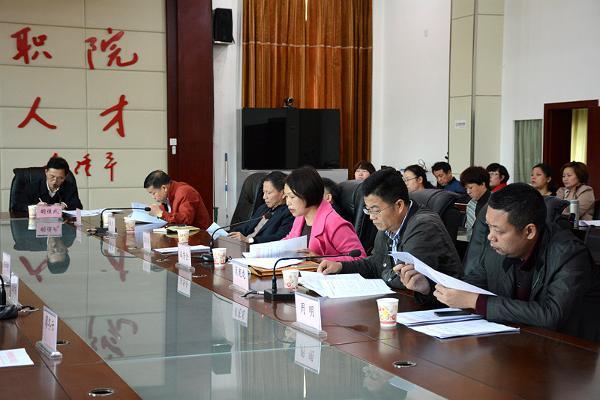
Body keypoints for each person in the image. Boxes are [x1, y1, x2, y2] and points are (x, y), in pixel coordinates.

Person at [399, 183, 596, 337]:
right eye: (489, 226)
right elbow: (470, 288)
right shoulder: (498, 247)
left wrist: (476, 301)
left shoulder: (570, 255)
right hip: (515, 342)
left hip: (567, 354)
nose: (489, 237)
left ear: (529, 231)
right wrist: (429, 288)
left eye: (498, 230)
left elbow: (551, 315)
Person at [317, 168, 461, 288]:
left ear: (399, 205)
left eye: (375, 210)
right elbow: (376, 263)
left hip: (437, 305)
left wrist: (383, 273)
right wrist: (340, 266)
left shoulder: (424, 226)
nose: (371, 217)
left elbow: (405, 279)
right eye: (368, 210)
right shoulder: (388, 224)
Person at [284, 166, 365, 261]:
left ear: (308, 194)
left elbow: (360, 258)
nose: (288, 202)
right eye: (286, 197)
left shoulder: (334, 223)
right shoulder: (300, 217)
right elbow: (290, 240)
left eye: (292, 197)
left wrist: (320, 259)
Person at [228, 171, 293, 244]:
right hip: (244, 245)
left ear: (283, 193)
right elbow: (246, 227)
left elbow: (279, 237)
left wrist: (249, 240)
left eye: (269, 193)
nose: (264, 197)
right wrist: (229, 234)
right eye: (264, 192)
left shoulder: (289, 212)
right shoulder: (263, 208)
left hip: (260, 247)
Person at [144, 170, 211, 229]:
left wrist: (160, 213)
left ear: (164, 188)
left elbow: (186, 221)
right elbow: (167, 215)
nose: (153, 197)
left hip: (199, 236)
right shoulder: (167, 197)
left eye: (154, 193)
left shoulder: (185, 192)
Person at [13, 156, 83, 212]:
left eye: (60, 178)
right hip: (36, 223)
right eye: (52, 176)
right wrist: (35, 207)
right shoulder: (33, 186)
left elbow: (78, 206)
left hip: (61, 223)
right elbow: (17, 206)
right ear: (46, 172)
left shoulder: (69, 187)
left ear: (65, 176)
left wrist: (64, 205)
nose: (55, 181)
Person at [460, 166, 491, 241]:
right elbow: (466, 230)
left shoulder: (494, 203)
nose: (468, 192)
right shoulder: (471, 203)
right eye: (466, 188)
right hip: (470, 241)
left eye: (470, 188)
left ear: (483, 184)